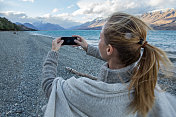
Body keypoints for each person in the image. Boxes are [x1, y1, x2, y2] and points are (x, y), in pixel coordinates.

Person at [42, 12, 176, 117]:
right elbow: (115, 58)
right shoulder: (146, 82)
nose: (99, 41)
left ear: (109, 49)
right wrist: (87, 47)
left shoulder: (88, 92)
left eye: (100, 38)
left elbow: (49, 86)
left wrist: (54, 52)